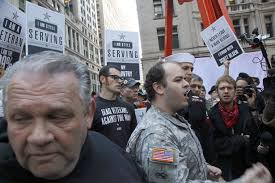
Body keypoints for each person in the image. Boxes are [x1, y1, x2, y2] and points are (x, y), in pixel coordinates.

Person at [0, 51, 144, 183]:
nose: (39, 137)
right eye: (21, 119)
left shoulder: (123, 166)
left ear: (88, 113)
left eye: (58, 117)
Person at [126, 61, 272, 183]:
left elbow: (179, 159)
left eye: (184, 79)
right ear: (158, 88)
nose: (186, 84)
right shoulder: (156, 136)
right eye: (178, 80)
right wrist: (242, 182)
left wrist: (203, 168)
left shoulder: (173, 119)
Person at [209, 75, 260, 181]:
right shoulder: (211, 114)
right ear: (217, 92)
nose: (226, 91)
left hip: (246, 166)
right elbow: (215, 144)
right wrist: (240, 139)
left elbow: (254, 136)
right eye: (222, 88)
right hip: (224, 169)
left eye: (230, 88)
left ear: (235, 90)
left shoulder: (245, 109)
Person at [92, 65, 137, 148]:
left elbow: (134, 139)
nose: (120, 81)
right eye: (114, 77)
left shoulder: (129, 107)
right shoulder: (91, 107)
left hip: (126, 159)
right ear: (102, 79)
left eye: (121, 78)